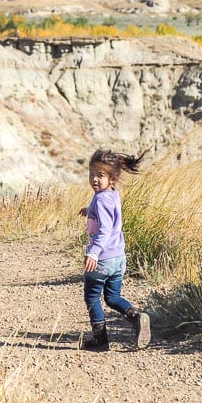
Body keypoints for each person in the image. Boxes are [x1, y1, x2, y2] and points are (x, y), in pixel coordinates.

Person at [80, 148, 151, 351]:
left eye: (100, 175)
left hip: (101, 259)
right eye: (92, 173)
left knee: (92, 297)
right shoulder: (111, 194)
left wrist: (93, 252)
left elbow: (104, 229)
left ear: (112, 178)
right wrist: (89, 210)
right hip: (118, 258)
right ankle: (136, 317)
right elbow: (108, 215)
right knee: (112, 297)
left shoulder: (101, 199)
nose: (94, 179)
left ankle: (100, 340)